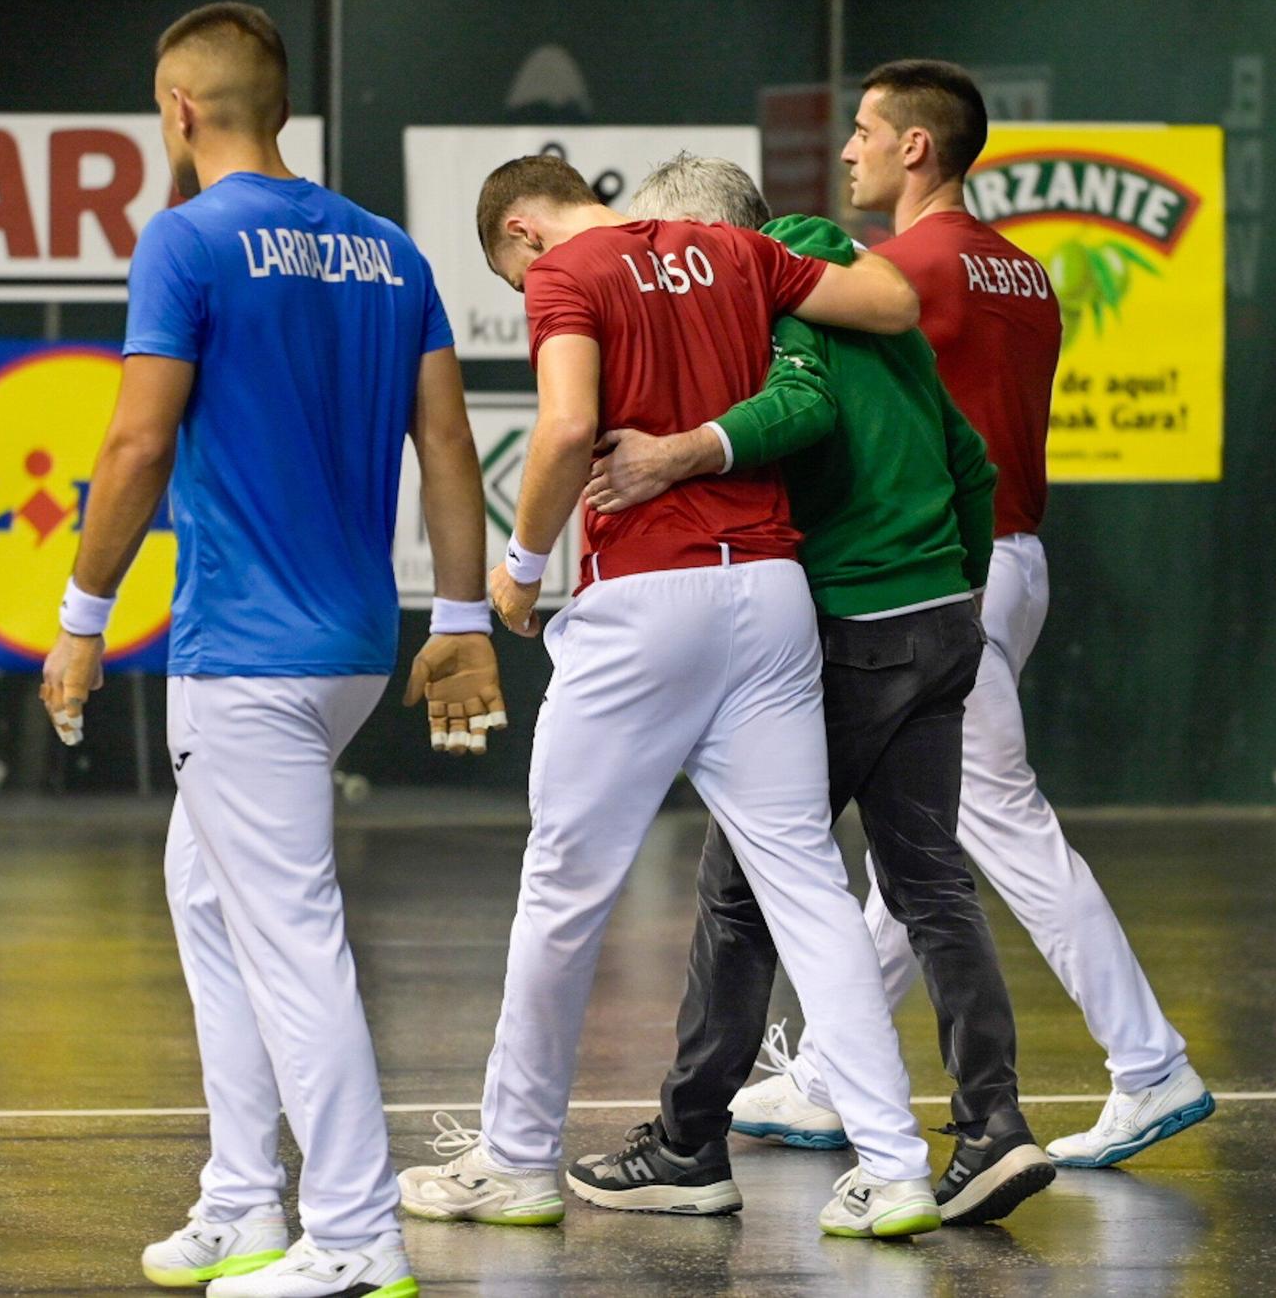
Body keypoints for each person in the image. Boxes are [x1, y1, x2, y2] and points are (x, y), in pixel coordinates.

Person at [38, 4, 498, 1298]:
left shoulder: (185, 240)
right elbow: (450, 449)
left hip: (245, 656)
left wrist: (80, 622)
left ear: (179, 109)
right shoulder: (388, 249)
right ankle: (243, 1200)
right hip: (350, 645)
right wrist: (458, 625)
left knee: (289, 935)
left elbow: (134, 447)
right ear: (275, 107)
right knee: (210, 898)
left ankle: (354, 1233)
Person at [395, 154, 943, 1240]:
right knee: (806, 883)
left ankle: (511, 1159)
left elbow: (562, 428)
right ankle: (894, 1165)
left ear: (521, 233)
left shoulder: (568, 272)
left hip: (646, 601)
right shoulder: (742, 250)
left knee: (562, 885)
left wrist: (516, 566)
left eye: (515, 279)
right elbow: (892, 299)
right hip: (772, 596)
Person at [730, 59, 1215, 1169]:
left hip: (952, 570)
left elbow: (819, 393)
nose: (845, 149)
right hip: (1016, 561)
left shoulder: (901, 269)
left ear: (914, 148)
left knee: (993, 821)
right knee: (919, 829)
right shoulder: (1020, 273)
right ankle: (820, 1075)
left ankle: (1146, 1061)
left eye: (861, 131)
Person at [566, 153, 1057, 1227]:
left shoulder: (764, 300)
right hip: (936, 615)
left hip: (849, 624)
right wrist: (957, 595)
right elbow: (968, 458)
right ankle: (994, 1126)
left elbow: (805, 405)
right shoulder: (871, 299)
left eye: (659, 249)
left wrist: (677, 456)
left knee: (741, 889)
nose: (655, 275)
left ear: (706, 239)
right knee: (930, 882)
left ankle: (690, 1139)